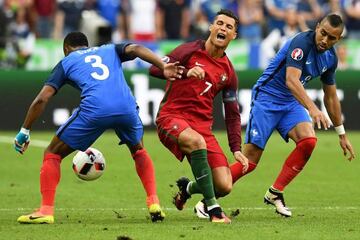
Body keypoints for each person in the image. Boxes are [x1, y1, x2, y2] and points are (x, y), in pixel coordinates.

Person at [14, 31, 182, 224]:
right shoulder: (109, 49)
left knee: (52, 153)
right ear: (87, 45)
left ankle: (45, 210)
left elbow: (42, 99)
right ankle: (154, 202)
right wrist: (162, 65)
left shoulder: (66, 62)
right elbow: (136, 48)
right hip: (126, 107)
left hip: (96, 108)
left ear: (66, 49)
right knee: (138, 151)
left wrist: (24, 130)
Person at [227, 13, 355, 217]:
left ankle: (275, 193)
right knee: (250, 161)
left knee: (308, 141)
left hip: (289, 102)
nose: (325, 40)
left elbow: (330, 96)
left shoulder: (330, 58)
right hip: (267, 97)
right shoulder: (301, 43)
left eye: (331, 38)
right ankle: (204, 195)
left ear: (338, 39)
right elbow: (291, 80)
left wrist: (341, 134)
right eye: (323, 33)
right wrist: (313, 109)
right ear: (317, 26)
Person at [149, 9, 248, 224]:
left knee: (224, 185)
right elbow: (154, 69)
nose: (223, 28)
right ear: (211, 27)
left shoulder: (229, 73)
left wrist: (236, 149)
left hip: (202, 127)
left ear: (234, 36)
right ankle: (213, 210)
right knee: (196, 142)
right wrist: (185, 72)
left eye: (229, 27)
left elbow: (232, 114)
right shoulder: (189, 51)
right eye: (219, 23)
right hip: (171, 117)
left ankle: (188, 188)